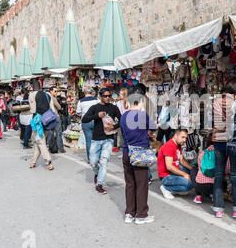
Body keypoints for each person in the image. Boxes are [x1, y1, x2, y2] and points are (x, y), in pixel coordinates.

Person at [120, 84, 157, 224]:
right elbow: (154, 127)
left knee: (130, 183)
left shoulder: (124, 117)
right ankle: (141, 214)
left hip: (126, 152)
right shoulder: (142, 115)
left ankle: (129, 213)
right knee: (141, 184)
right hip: (140, 153)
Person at [211, 77, 236, 218]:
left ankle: (218, 208)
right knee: (235, 174)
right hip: (233, 141)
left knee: (219, 174)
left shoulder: (216, 102)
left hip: (218, 141)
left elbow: (216, 123)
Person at [82, 88, 122, 194]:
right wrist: (97, 116)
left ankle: (99, 184)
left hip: (108, 139)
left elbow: (122, 119)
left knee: (104, 162)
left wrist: (114, 126)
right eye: (105, 96)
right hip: (96, 139)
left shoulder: (114, 108)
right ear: (100, 96)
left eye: (109, 96)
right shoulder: (95, 107)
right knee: (93, 162)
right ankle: (97, 173)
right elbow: (84, 119)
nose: (108, 98)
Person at [157, 128, 193, 199]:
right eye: (183, 137)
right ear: (176, 135)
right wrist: (185, 175)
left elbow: (182, 161)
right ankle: (166, 188)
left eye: (185, 138)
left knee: (191, 174)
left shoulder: (178, 145)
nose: (184, 140)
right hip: (166, 176)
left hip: (173, 172)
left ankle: (177, 186)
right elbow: (169, 167)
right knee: (189, 184)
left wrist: (193, 169)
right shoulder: (169, 146)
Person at [28, 80, 56, 170]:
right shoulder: (48, 95)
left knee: (40, 142)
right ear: (40, 86)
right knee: (39, 142)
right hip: (47, 121)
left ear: (32, 87)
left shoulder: (32, 95)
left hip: (38, 122)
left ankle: (48, 162)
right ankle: (33, 161)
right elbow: (52, 109)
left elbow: (32, 110)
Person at [76, 87, 99, 163]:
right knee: (96, 140)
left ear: (84, 93)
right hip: (96, 121)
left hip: (86, 122)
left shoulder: (81, 101)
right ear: (91, 92)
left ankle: (90, 159)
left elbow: (78, 112)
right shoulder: (96, 100)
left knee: (88, 141)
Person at [46, 86, 65, 153]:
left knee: (50, 133)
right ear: (51, 91)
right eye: (55, 91)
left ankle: (49, 147)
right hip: (55, 117)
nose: (56, 93)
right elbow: (58, 106)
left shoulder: (46, 97)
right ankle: (60, 148)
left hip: (48, 117)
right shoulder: (52, 98)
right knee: (58, 132)